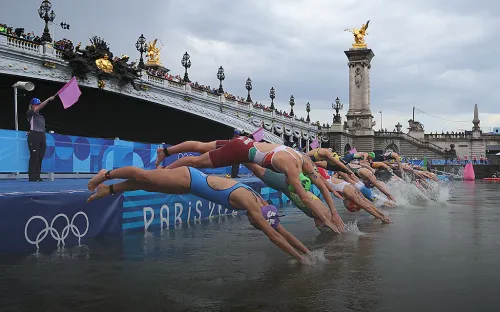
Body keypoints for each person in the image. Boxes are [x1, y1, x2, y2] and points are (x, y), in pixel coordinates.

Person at [87, 166, 312, 264]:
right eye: (256, 223)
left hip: (189, 187)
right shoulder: (250, 204)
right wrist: (301, 261)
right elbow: (274, 237)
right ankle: (106, 175)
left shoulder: (261, 204)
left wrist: (309, 254)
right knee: (144, 176)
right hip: (189, 178)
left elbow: (282, 232)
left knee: (149, 186)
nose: (252, 223)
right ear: (258, 217)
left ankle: (111, 189)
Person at [154, 137, 345, 231]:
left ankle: (166, 151)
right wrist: (329, 221)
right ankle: (165, 171)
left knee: (200, 147)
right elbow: (304, 197)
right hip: (240, 152)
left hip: (245, 141)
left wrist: (334, 211)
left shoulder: (301, 159)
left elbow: (320, 184)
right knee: (196, 161)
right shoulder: (293, 168)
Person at [243, 163, 342, 233]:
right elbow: (309, 198)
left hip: (285, 185)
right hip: (284, 184)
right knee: (256, 169)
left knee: (257, 170)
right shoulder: (321, 213)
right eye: (320, 226)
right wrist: (326, 219)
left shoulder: (318, 214)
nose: (316, 226)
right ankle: (238, 154)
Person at [316, 167, 392, 223]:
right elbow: (366, 204)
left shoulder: (348, 194)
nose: (345, 205)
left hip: (347, 186)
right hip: (348, 185)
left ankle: (382, 215)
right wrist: (381, 215)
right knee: (364, 201)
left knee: (364, 203)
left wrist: (381, 217)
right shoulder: (346, 193)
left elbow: (366, 206)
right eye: (347, 207)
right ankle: (382, 215)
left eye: (347, 207)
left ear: (353, 203)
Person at [26, 96, 55, 182]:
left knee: (40, 156)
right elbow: (41, 106)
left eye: (38, 104)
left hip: (42, 135)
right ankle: (32, 176)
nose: (38, 106)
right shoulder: (30, 112)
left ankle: (37, 175)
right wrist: (48, 99)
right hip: (34, 135)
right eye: (36, 104)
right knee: (34, 156)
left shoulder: (41, 116)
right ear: (32, 105)